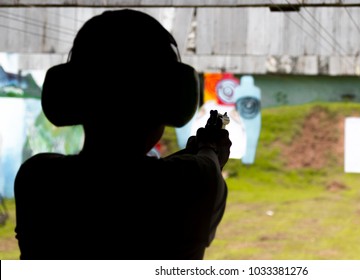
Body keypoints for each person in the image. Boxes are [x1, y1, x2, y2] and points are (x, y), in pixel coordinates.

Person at [14, 9, 231, 260]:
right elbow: (185, 171)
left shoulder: (38, 179)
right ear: (173, 97)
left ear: (70, 92)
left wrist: (201, 153)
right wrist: (211, 148)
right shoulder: (195, 180)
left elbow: (117, 179)